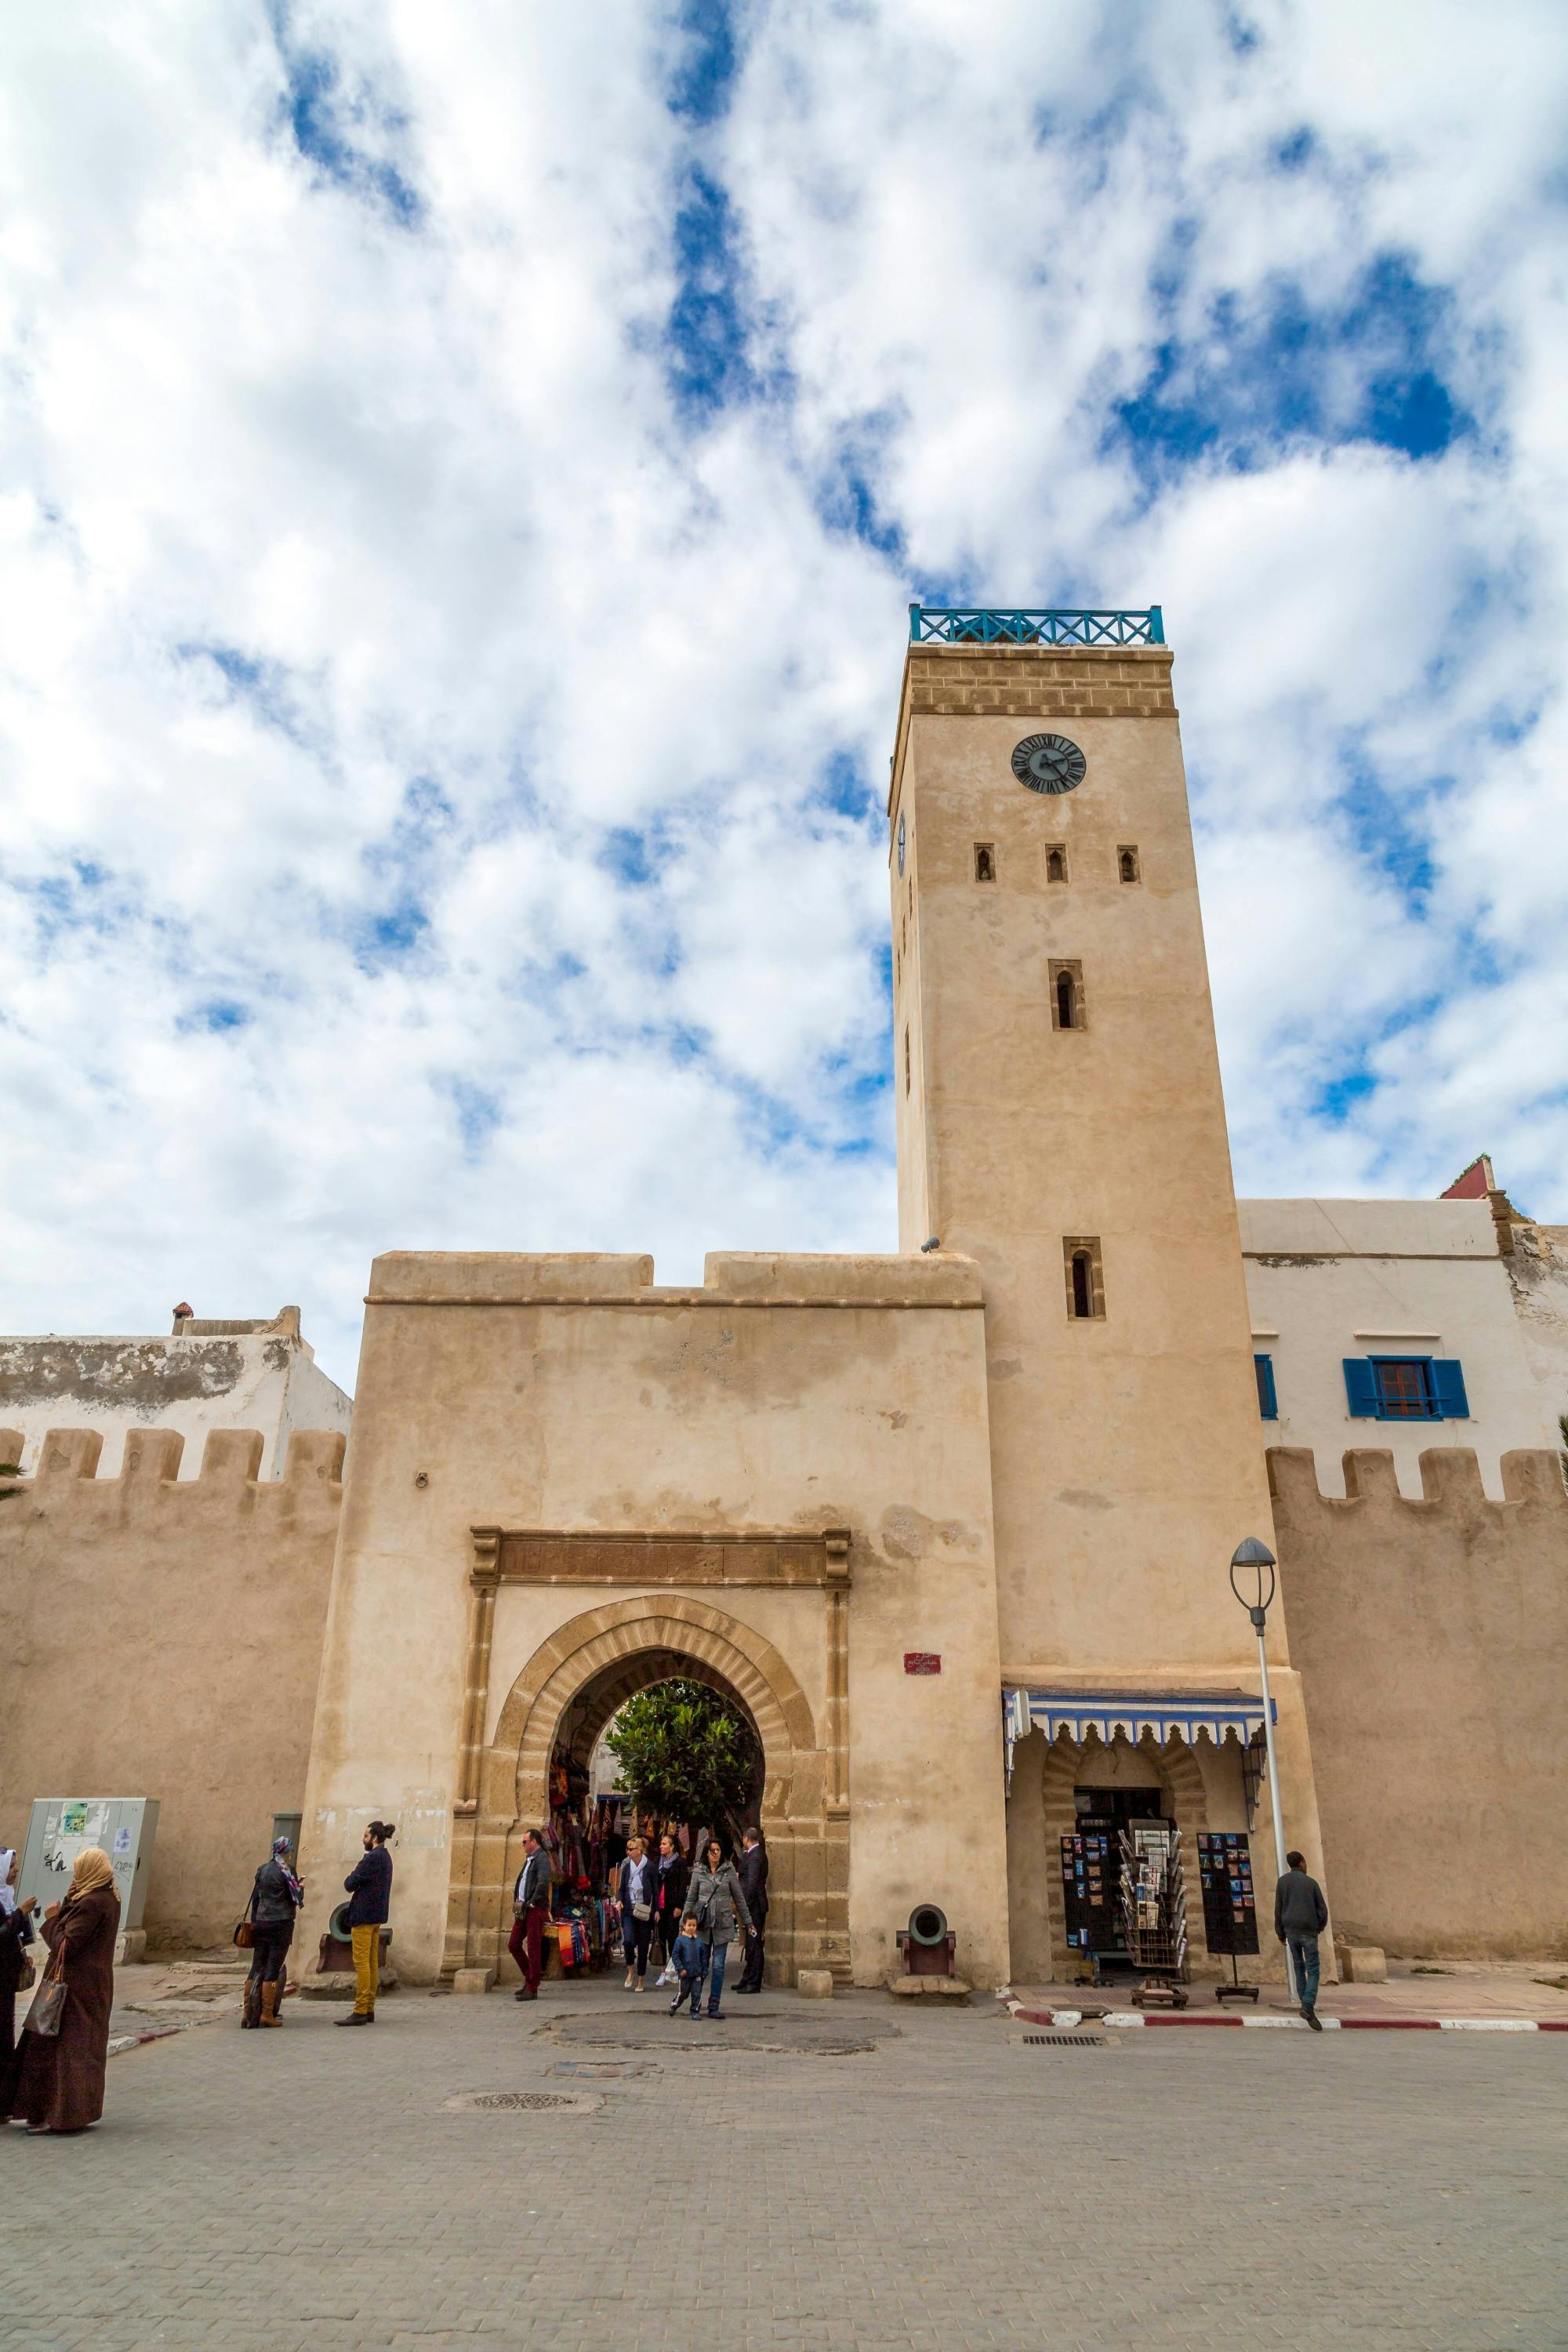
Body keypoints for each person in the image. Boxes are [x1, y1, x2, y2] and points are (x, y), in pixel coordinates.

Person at [10, 1846, 119, 2134]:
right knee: (77, 2049)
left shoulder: (93, 1903)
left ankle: (58, 2115)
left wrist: (52, 1919)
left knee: (64, 2051)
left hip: (73, 1989)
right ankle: (54, 2112)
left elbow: (67, 1947)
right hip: (91, 1986)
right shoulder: (108, 1896)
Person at [684, 1837, 756, 2020]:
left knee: (718, 1966)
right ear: (706, 1853)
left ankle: (714, 2005)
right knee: (701, 1967)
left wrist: (748, 1922)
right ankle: (696, 2004)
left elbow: (739, 1899)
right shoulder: (699, 1871)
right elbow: (691, 1898)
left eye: (718, 1850)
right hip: (702, 1926)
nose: (716, 1853)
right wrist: (684, 1924)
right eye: (712, 1850)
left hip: (722, 1925)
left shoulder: (729, 1870)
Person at [241, 1835, 304, 2030]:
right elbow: (295, 1898)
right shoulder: (287, 1871)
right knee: (272, 1968)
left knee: (256, 1965)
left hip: (261, 1923)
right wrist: (300, 1888)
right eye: (290, 1851)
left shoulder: (263, 1870)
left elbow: (256, 1898)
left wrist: (254, 1921)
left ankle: (247, 2012)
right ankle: (267, 2014)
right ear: (286, 1852)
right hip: (281, 1924)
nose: (291, 1854)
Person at [336, 1819, 394, 2027]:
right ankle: (369, 2007)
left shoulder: (371, 1858)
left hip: (363, 1915)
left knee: (361, 1963)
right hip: (376, 1916)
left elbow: (350, 1883)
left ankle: (360, 2009)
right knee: (371, 1963)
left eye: (366, 1836)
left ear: (374, 1838)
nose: (363, 1839)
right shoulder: (385, 1857)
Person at [0, 1849, 39, 2115]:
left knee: (5, 2041)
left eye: (16, 1865)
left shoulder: (6, 1897)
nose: (15, 1870)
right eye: (10, 1865)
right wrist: (20, 1914)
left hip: (5, 1981)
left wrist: (21, 1956)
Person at [1274, 1847, 1330, 2029]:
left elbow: (1278, 1909)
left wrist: (1280, 1933)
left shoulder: (1282, 1883)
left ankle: (1306, 2005)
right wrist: (1319, 1927)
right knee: (1313, 1969)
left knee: (1299, 1966)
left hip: (1291, 1930)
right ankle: (1308, 2004)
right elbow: (1322, 1910)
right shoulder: (1311, 1883)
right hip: (1309, 1931)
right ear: (1301, 1862)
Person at [509, 1828, 551, 2002]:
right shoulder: (530, 1859)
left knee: (533, 1947)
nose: (523, 1845)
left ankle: (532, 1987)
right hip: (524, 1909)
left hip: (534, 1909)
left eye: (525, 1841)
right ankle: (530, 1978)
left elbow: (543, 1882)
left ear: (534, 1841)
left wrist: (532, 1901)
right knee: (514, 1944)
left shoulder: (541, 1858)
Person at [615, 1836, 656, 1991]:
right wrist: (620, 1900)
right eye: (627, 1849)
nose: (628, 1852)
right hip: (629, 1911)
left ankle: (640, 1979)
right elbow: (622, 1888)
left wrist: (657, 1910)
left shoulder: (650, 1867)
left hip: (644, 1912)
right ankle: (630, 1970)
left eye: (631, 1849)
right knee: (628, 1941)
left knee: (644, 1946)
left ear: (639, 1850)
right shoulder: (627, 1867)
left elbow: (655, 1889)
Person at [651, 1831, 688, 1986]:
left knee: (673, 1939)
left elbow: (682, 1885)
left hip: (673, 1906)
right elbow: (655, 1887)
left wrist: (679, 1905)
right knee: (661, 1939)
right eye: (661, 1844)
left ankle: (675, 1970)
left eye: (665, 1844)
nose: (661, 1846)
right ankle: (662, 1972)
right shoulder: (657, 1863)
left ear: (672, 1847)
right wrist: (656, 1909)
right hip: (660, 1906)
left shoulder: (680, 1863)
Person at [735, 1826, 769, 1994]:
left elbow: (753, 1883)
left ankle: (754, 1982)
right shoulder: (753, 1854)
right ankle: (747, 1977)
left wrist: (745, 1905)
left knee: (754, 1944)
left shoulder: (755, 1856)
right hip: (753, 1905)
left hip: (754, 1906)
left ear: (745, 1838)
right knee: (750, 1943)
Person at [667, 1914, 708, 2018]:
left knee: (696, 1993)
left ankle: (695, 2011)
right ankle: (674, 2005)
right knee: (683, 1993)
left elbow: (703, 1957)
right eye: (689, 1925)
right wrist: (680, 1969)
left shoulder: (699, 1941)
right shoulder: (680, 1940)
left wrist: (705, 1970)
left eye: (694, 1925)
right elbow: (675, 1956)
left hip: (697, 1973)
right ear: (684, 1926)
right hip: (685, 1973)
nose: (691, 1928)